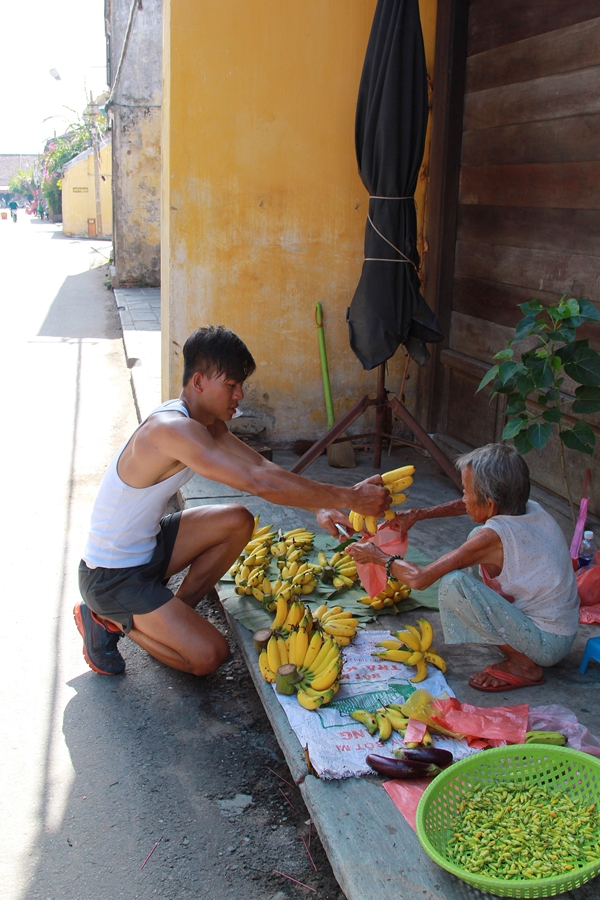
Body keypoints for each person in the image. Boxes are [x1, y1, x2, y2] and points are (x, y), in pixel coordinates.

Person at [75, 325, 390, 677]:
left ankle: (169, 615)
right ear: (199, 383)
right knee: (209, 656)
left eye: (241, 384)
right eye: (231, 385)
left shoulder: (204, 421)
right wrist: (349, 498)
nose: (240, 394)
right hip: (110, 576)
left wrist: (319, 504)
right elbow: (257, 482)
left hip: (147, 549)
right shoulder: (171, 429)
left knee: (238, 521)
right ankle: (107, 620)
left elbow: (260, 465)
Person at [347, 443, 579, 692]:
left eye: (467, 491)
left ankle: (525, 665)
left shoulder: (492, 538)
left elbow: (421, 579)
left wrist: (377, 556)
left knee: (453, 584)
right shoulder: (529, 507)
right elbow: (467, 506)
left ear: (490, 505)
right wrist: (418, 514)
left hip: (547, 643)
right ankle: (515, 637)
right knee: (475, 531)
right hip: (565, 628)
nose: (464, 498)